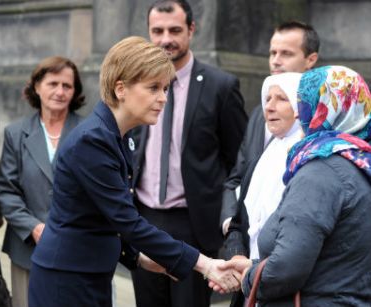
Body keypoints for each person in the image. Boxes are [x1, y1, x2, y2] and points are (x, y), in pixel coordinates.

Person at [28, 36, 240, 307]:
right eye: (153, 88)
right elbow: (126, 220)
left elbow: (101, 218)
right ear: (120, 89)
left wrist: (136, 258)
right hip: (66, 280)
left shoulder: (118, 135)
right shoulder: (93, 140)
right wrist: (204, 264)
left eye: (165, 88)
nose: (163, 98)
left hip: (88, 273)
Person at [218, 65, 371, 305]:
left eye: (306, 101)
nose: (301, 113)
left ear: (326, 108)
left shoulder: (321, 171)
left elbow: (286, 270)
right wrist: (254, 265)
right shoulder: (360, 160)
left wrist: (249, 276)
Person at [131, 1, 247, 306]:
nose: (165, 38)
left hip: (194, 224)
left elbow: (238, 160)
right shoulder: (135, 84)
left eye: (174, 30)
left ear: (192, 30)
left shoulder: (221, 87)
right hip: (143, 218)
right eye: (157, 31)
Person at [0, 56, 84, 307]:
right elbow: (7, 191)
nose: (60, 91)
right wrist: (34, 227)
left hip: (77, 249)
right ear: (36, 86)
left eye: (67, 86)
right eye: (52, 83)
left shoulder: (89, 131)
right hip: (27, 250)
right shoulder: (16, 133)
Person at [220, 20, 320, 235]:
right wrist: (231, 221)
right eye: (272, 52)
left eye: (286, 53)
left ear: (311, 59)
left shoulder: (324, 117)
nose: (275, 61)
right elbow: (237, 176)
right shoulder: (259, 113)